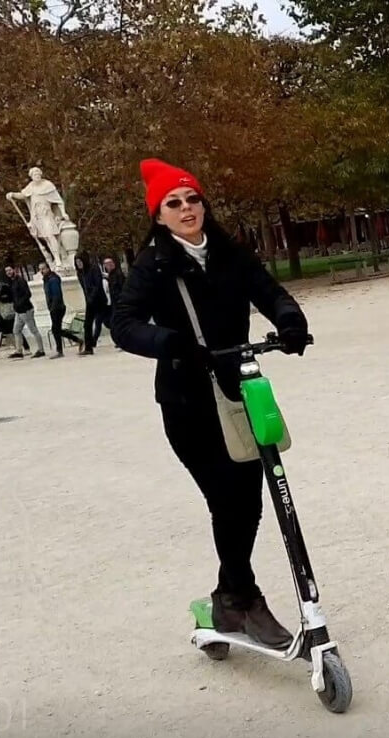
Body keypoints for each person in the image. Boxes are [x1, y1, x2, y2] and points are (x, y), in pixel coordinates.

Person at [111, 158, 309, 649]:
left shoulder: (229, 252)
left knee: (251, 499)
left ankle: (229, 596)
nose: (186, 209)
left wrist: (289, 322)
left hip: (238, 390)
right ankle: (244, 601)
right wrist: (172, 344)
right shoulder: (153, 264)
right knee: (227, 498)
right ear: (158, 215)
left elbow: (270, 292)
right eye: (173, 203)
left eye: (192, 199)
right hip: (186, 402)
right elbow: (124, 323)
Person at [40, 262, 80, 358]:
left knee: (55, 329)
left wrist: (53, 307)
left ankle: (62, 349)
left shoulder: (52, 279)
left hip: (57, 307)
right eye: (40, 269)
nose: (42, 271)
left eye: (43, 268)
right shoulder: (47, 279)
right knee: (56, 329)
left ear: (48, 268)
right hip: (55, 307)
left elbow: (56, 294)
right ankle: (76, 341)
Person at [5, 265, 45, 359]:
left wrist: (19, 303)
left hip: (25, 310)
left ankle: (41, 350)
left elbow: (28, 294)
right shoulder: (13, 282)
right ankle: (19, 351)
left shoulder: (20, 281)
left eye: (10, 270)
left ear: (14, 270)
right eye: (7, 271)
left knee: (33, 330)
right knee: (16, 330)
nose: (8, 272)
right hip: (19, 311)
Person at [0, 274, 29, 357]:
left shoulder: (1, 292)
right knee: (17, 331)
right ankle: (26, 348)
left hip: (2, 317)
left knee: (1, 333)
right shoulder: (8, 289)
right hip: (10, 316)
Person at [80, 256, 108, 355]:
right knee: (87, 325)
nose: (79, 264)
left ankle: (92, 342)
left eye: (80, 261)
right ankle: (89, 347)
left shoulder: (94, 269)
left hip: (98, 301)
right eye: (77, 262)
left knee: (106, 322)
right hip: (90, 301)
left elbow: (97, 285)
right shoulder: (82, 272)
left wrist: (91, 297)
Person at [103, 256, 125, 327]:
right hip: (114, 301)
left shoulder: (118, 274)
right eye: (106, 265)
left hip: (118, 300)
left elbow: (122, 287)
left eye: (108, 264)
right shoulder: (111, 275)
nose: (107, 266)